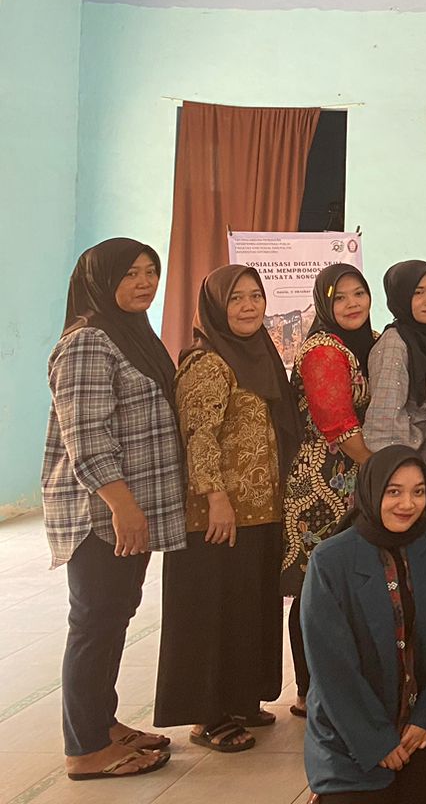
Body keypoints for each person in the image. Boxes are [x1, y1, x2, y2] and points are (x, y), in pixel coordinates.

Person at [44, 239, 186, 780]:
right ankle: (84, 749)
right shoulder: (87, 342)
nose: (144, 282)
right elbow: (86, 435)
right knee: (93, 623)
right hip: (100, 513)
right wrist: (122, 506)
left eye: (151, 271)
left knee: (113, 616)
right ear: (100, 281)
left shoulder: (131, 336)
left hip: (131, 511)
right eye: (129, 274)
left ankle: (101, 724)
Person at [154, 265, 295, 751]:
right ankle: (206, 716)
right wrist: (215, 497)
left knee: (246, 609)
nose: (249, 306)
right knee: (211, 613)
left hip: (261, 510)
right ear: (216, 307)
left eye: (256, 296)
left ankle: (240, 699)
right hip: (218, 515)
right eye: (236, 298)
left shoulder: (262, 355)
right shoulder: (207, 362)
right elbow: (198, 435)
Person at [300, 446, 426, 804]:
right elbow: (331, 667)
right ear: (372, 491)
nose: (408, 504)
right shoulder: (331, 560)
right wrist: (375, 740)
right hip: (350, 733)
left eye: (418, 491)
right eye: (394, 491)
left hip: (424, 728)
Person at [280, 262, 379, 717]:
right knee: (315, 586)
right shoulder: (323, 350)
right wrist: (380, 470)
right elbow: (338, 424)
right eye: (340, 297)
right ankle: (308, 689)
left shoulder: (367, 342)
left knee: (351, 585)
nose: (352, 304)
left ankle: (344, 684)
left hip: (356, 479)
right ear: (324, 303)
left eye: (359, 293)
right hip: (322, 485)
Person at [365, 260, 426, 488]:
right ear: (401, 297)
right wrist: (399, 471)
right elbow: (385, 420)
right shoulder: (394, 344)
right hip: (406, 466)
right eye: (418, 292)